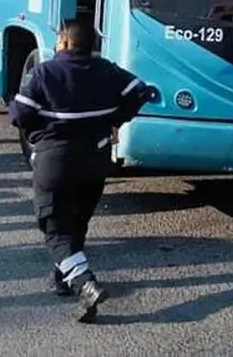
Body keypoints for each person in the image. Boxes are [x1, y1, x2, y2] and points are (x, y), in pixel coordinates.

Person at [9, 19, 153, 322]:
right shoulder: (107, 70)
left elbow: (20, 114)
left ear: (63, 42)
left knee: (56, 230)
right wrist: (116, 119)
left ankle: (82, 282)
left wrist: (40, 133)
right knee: (77, 221)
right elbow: (141, 91)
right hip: (95, 160)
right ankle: (63, 278)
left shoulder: (45, 72)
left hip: (56, 161)